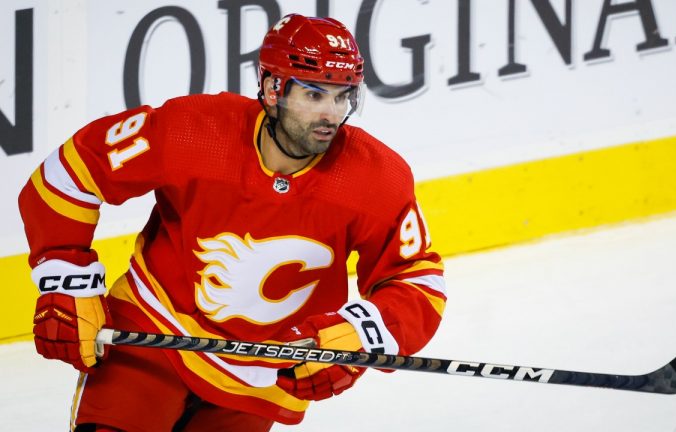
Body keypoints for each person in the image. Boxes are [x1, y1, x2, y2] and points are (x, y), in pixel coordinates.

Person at [19, 13, 446, 432]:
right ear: (272, 87)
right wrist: (65, 277)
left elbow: (418, 281)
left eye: (342, 96)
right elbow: (69, 173)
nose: (331, 115)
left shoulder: (376, 178)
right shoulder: (193, 131)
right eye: (314, 95)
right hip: (154, 336)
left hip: (268, 373)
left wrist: (358, 334)